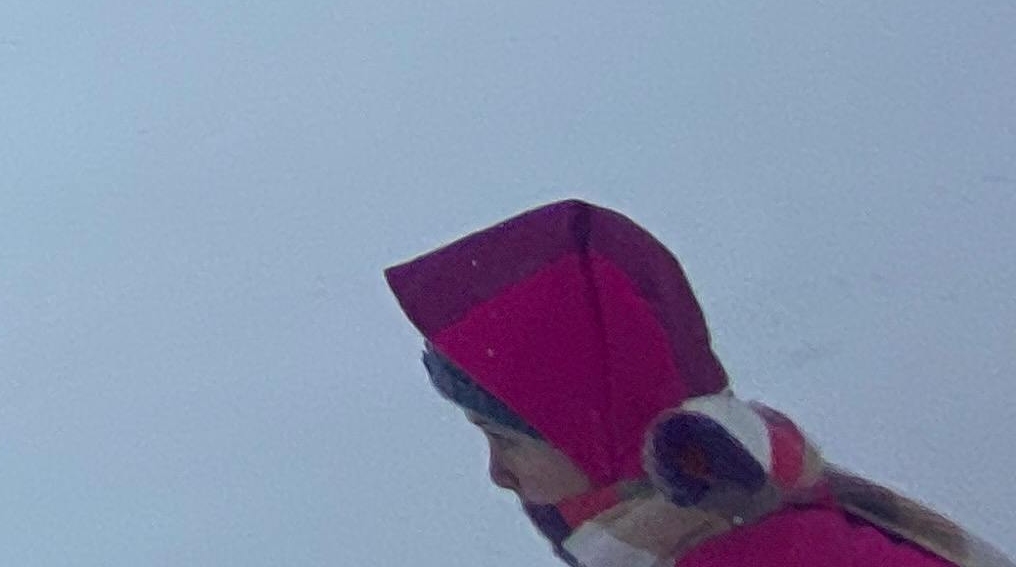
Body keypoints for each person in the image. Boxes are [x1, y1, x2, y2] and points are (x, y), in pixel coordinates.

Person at [389, 199, 1002, 561]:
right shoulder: (723, 499)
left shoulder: (746, 553)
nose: (497, 473)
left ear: (590, 425)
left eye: (508, 438)